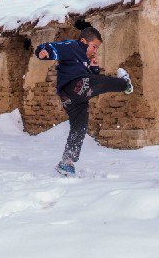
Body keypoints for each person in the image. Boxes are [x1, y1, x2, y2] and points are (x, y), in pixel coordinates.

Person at [35, 27, 133, 177]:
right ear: (83, 41)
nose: (95, 51)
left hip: (72, 99)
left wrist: (93, 69)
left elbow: (88, 77)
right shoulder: (72, 46)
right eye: (94, 46)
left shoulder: (85, 60)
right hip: (72, 87)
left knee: (79, 126)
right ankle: (125, 84)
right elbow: (53, 47)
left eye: (97, 48)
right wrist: (43, 52)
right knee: (97, 82)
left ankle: (66, 162)